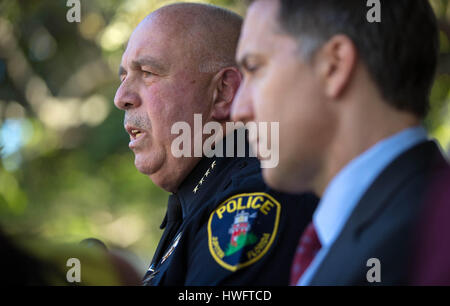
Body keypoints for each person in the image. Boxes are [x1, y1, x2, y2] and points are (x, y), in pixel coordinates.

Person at [232, 0, 448, 285]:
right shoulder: (411, 215)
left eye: (255, 68)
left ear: (334, 65)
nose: (238, 111)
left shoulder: (427, 238)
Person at [113, 2, 318, 286]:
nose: (121, 96)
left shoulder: (250, 199)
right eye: (124, 76)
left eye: (147, 72)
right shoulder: (198, 197)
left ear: (223, 92)